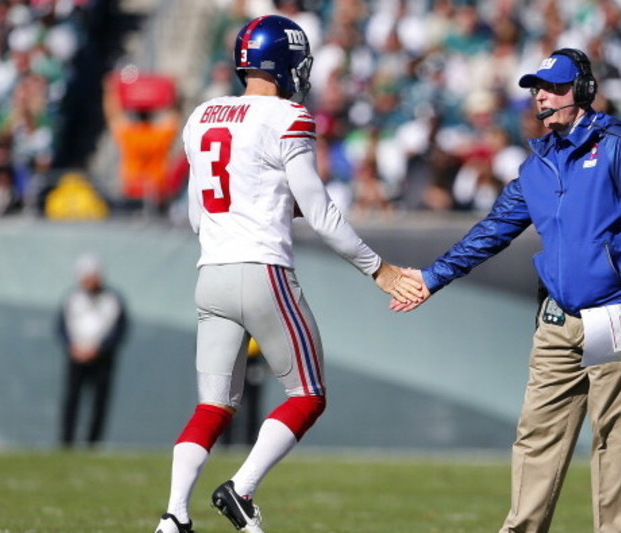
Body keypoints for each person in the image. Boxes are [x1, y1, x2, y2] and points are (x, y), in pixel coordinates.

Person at [153, 15, 421, 533]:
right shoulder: (288, 116)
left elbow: (196, 216)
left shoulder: (202, 115)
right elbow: (321, 214)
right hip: (263, 272)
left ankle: (174, 514)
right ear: (285, 63)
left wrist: (267, 206)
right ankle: (242, 488)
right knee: (307, 395)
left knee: (212, 405)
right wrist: (379, 269)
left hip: (211, 271)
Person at [391, 48, 621, 533]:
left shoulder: (618, 144)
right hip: (559, 318)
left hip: (617, 312)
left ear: (582, 92)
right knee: (536, 434)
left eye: (555, 88)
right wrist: (434, 276)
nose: (542, 97)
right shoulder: (537, 165)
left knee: (614, 435)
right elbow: (494, 229)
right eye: (537, 90)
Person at [56, 253, 128, 448]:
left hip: (102, 360)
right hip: (76, 358)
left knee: (99, 402)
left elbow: (119, 330)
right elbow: (61, 328)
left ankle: (93, 443)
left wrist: (100, 349)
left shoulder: (112, 299)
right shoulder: (72, 299)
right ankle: (66, 442)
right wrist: (73, 347)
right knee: (72, 399)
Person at [102, 73, 181, 214]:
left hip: (131, 190)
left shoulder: (129, 134)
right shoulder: (160, 134)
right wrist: (172, 90)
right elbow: (174, 114)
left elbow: (113, 115)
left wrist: (111, 90)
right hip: (157, 192)